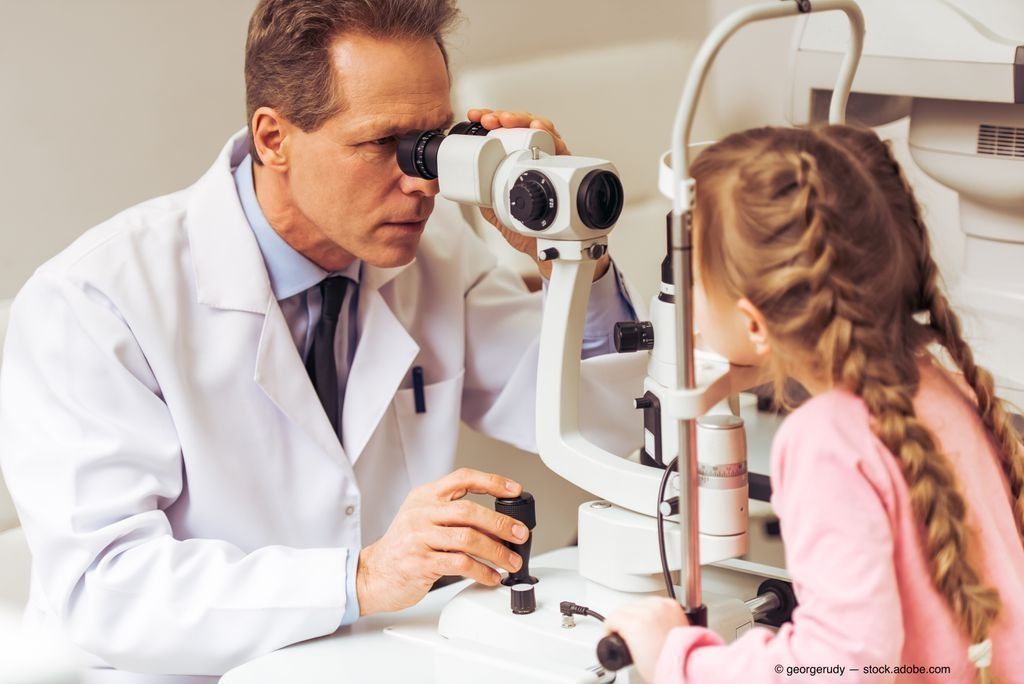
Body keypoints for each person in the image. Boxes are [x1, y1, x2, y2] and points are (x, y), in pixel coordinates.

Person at [0, 1, 638, 681]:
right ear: (273, 139)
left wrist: (572, 253)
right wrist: (358, 578)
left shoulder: (438, 251)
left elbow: (605, 433)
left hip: (371, 660)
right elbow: (104, 589)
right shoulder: (96, 301)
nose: (420, 181)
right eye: (382, 143)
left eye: (431, 141)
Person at [605, 125, 1024, 683]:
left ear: (755, 323)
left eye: (695, 281)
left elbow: (844, 664)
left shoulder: (825, 439)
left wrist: (680, 660)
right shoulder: (941, 385)